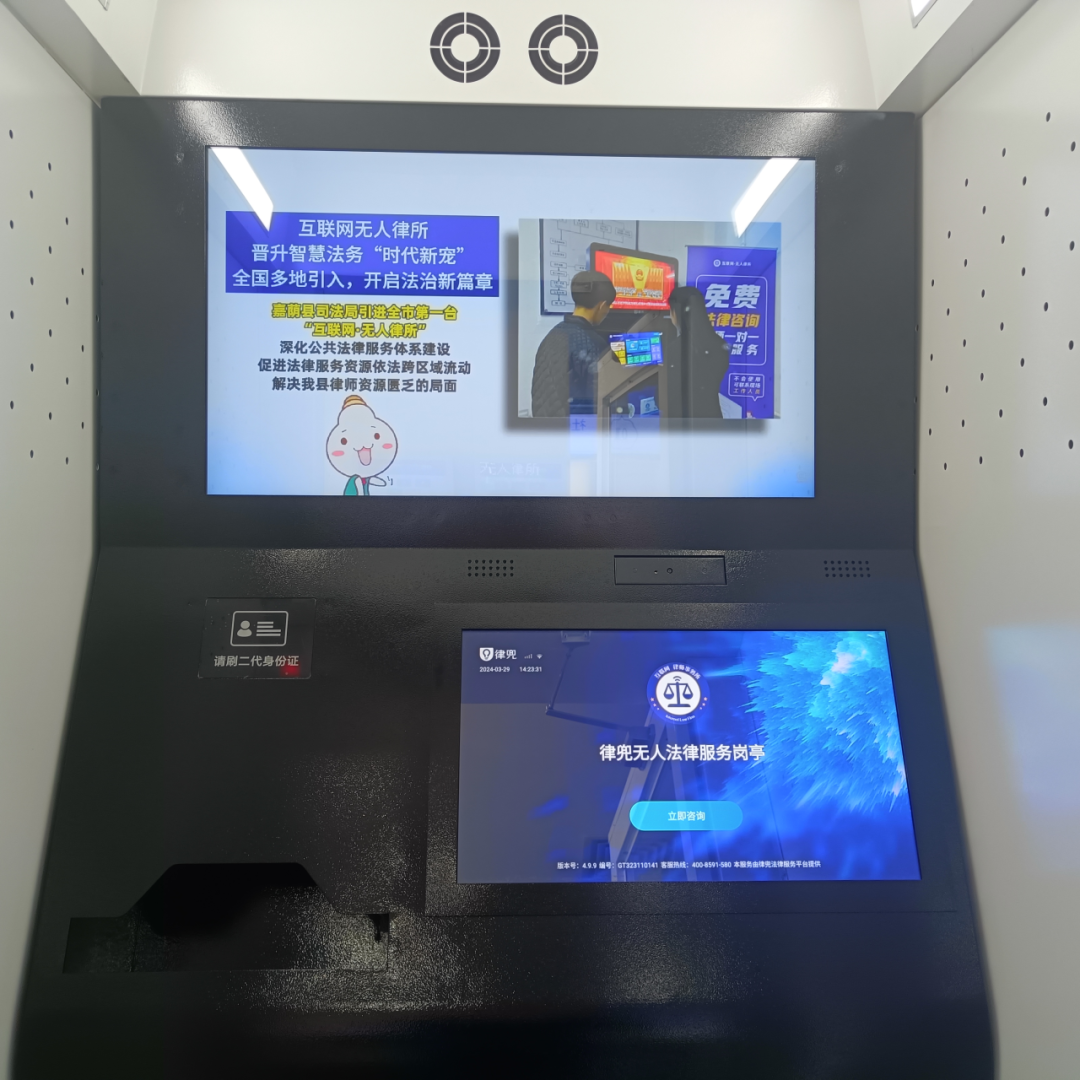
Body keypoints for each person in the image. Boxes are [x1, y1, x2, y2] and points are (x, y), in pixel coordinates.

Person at [531, 270, 617, 417]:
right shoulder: (593, 344)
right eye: (608, 306)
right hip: (576, 427)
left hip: (544, 425)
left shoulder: (552, 335)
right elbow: (602, 400)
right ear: (602, 306)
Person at [666, 285, 731, 419]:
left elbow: (665, 394)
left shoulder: (676, 348)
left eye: (671, 311)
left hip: (684, 422)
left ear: (676, 313)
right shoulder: (719, 343)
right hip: (713, 418)